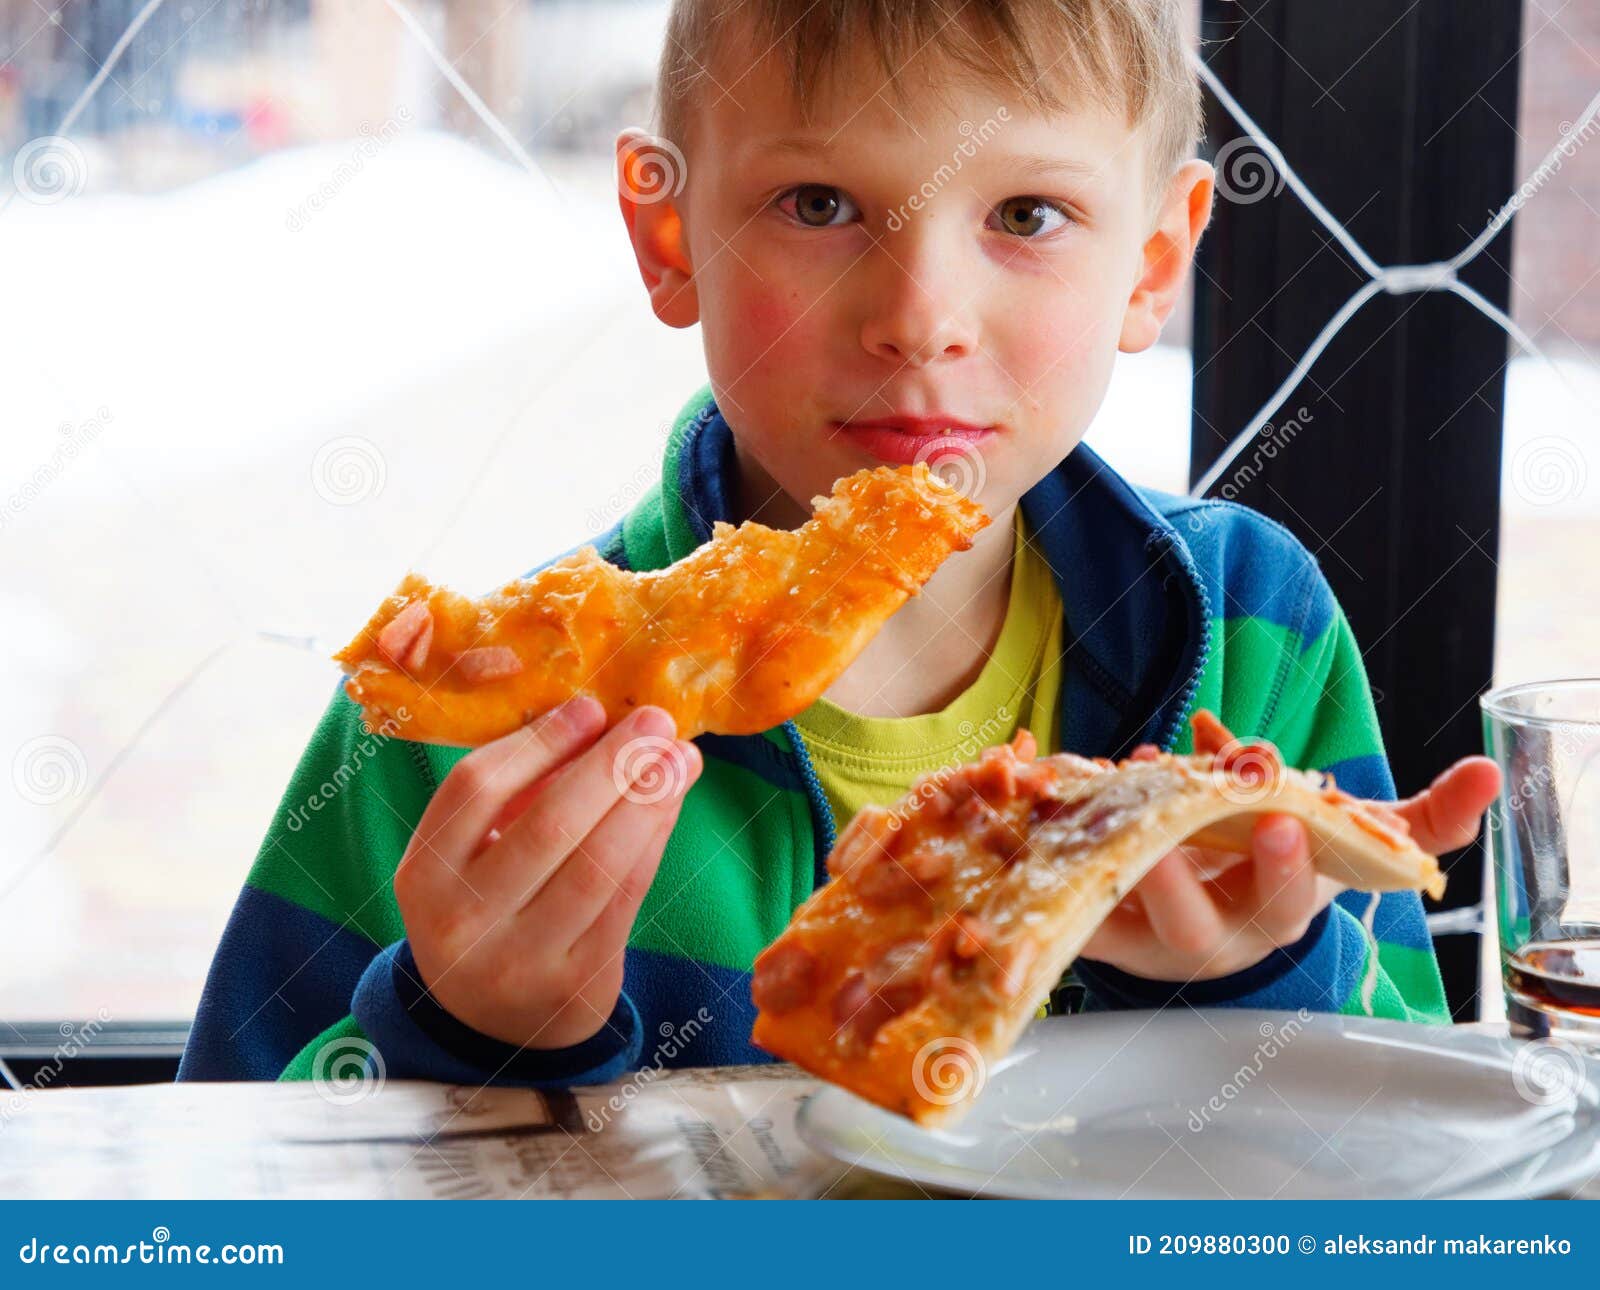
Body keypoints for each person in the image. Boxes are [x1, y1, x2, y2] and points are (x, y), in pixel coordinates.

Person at [180, 0, 1501, 1086]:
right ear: (667, 232)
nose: (921, 317)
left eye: (1026, 215)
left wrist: (1260, 971)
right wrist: (464, 1030)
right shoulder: (468, 736)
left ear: (1154, 260)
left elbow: (1408, 1142)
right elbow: (244, 1184)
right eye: (819, 204)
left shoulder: (1256, 632)